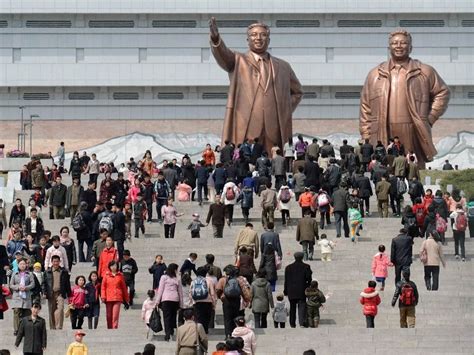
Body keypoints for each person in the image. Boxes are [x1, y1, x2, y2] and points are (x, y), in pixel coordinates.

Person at [360, 30, 450, 168]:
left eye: (403, 43)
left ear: (410, 47)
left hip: (413, 126)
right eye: (394, 43)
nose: (399, 46)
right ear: (389, 47)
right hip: (383, 127)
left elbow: (442, 92)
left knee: (414, 166)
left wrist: (429, 118)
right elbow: (365, 106)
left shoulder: (425, 71)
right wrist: (366, 133)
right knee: (385, 166)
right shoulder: (375, 74)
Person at [284, 252, 312, 328]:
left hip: (291, 291)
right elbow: (309, 279)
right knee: (302, 306)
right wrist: (308, 287)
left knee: (292, 307)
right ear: (302, 257)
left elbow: (286, 280)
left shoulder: (288, 268)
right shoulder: (306, 267)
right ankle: (302, 322)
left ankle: (292, 323)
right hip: (302, 289)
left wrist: (285, 291)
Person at [156, 263, 183, 341]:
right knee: (173, 316)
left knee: (166, 317)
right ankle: (171, 331)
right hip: (175, 299)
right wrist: (181, 303)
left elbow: (160, 290)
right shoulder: (177, 279)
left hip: (166, 299)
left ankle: (167, 333)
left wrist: (157, 301)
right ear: (174, 270)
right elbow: (180, 292)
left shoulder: (164, 277)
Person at [44, 254, 71, 330]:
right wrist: (44, 292)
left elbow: (67, 284)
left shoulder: (64, 272)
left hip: (60, 293)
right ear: (51, 262)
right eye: (54, 261)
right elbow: (44, 283)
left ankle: (59, 327)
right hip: (51, 293)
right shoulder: (47, 272)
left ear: (59, 262)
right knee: (51, 311)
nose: (56, 263)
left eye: (57, 261)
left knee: (61, 309)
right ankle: (52, 327)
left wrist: (69, 294)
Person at [215, 265, 242, 338]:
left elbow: (218, 289)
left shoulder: (222, 280)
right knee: (235, 317)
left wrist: (220, 297)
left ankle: (228, 335)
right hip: (236, 300)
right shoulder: (238, 279)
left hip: (226, 300)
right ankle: (235, 334)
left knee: (227, 319)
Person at [101, 260, 129, 329]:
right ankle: (109, 328)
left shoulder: (120, 276)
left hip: (117, 298)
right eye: (112, 266)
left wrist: (126, 299)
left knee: (115, 316)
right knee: (109, 316)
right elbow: (103, 287)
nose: (113, 267)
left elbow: (124, 288)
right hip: (108, 298)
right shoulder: (106, 276)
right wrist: (103, 297)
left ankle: (115, 328)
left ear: (117, 266)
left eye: (115, 265)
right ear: (109, 267)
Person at [10, 258, 34, 335]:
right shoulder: (14, 273)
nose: (22, 265)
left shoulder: (29, 274)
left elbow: (32, 284)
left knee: (26, 313)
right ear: (18, 265)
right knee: (16, 311)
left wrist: (26, 287)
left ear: (26, 265)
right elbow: (11, 285)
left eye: (24, 264)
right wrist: (18, 287)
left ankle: (25, 329)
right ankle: (16, 329)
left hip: (26, 296)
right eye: (21, 264)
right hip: (17, 296)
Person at [191, 266, 216, 334]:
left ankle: (199, 332)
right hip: (207, 302)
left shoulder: (193, 281)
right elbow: (212, 293)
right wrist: (214, 303)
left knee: (199, 318)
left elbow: (191, 293)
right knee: (206, 318)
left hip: (197, 302)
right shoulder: (208, 281)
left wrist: (193, 302)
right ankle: (205, 331)